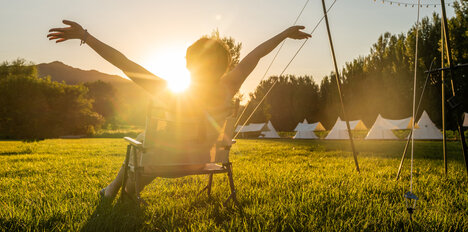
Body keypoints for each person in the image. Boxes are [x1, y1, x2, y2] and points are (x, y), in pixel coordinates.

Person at [47, 20, 311, 198]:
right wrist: (285, 33)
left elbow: (123, 63)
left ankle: (115, 191)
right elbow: (256, 55)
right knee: (153, 144)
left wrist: (85, 36)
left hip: (162, 164)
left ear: (188, 64)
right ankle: (119, 191)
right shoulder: (229, 86)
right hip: (203, 161)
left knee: (142, 141)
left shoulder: (168, 90)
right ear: (224, 66)